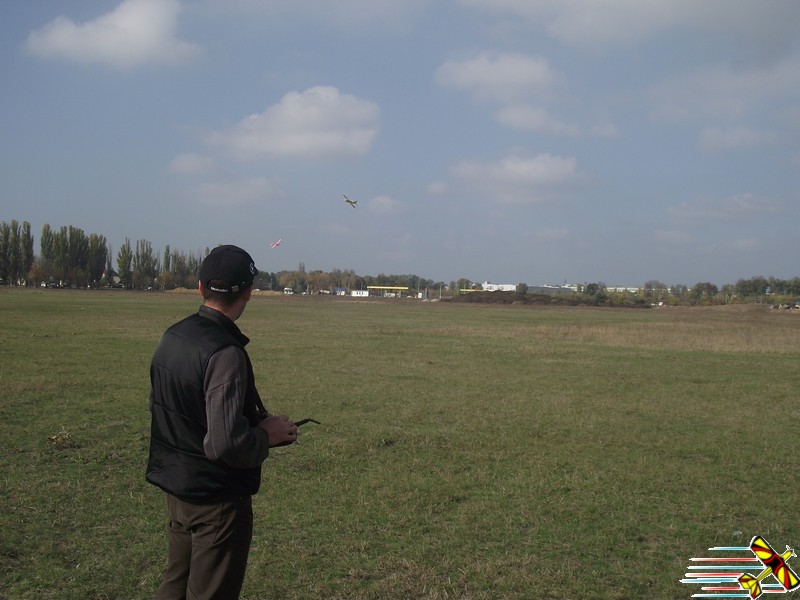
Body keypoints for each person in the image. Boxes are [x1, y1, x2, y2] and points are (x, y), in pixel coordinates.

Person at [146, 244, 297, 600]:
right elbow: (225, 443)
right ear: (248, 293)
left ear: (200, 287)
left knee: (175, 584)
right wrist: (267, 435)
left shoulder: (173, 336)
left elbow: (162, 406)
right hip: (216, 502)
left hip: (178, 489)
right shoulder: (225, 353)